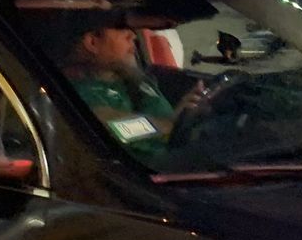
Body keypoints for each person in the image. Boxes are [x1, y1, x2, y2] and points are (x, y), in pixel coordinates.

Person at [57, 11, 199, 154]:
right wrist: (171, 125)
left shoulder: (136, 79)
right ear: (92, 42)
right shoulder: (71, 91)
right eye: (121, 28)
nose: (133, 35)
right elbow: (114, 126)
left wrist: (186, 113)